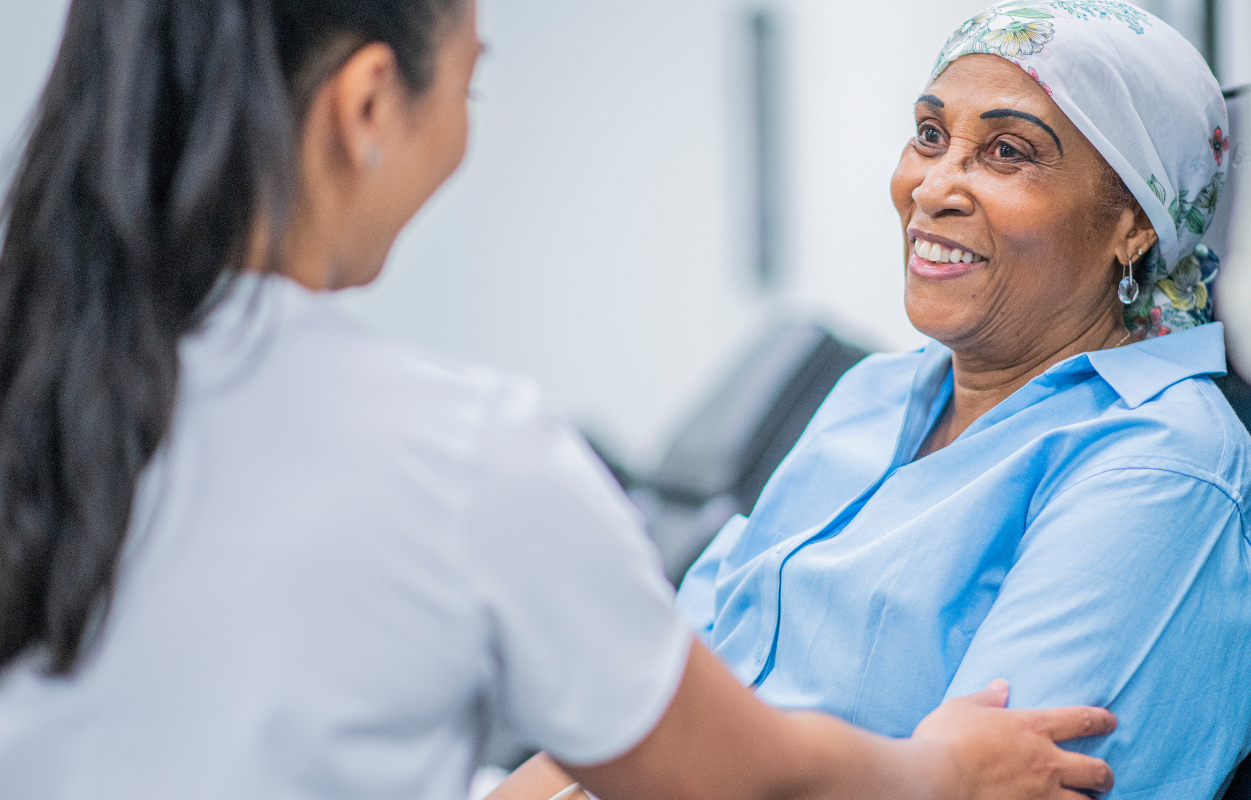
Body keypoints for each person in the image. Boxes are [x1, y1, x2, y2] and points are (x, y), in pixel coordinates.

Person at [0, 2, 1124, 799]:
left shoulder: (38, 378)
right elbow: (740, 774)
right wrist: (948, 771)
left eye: (1004, 152)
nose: (937, 185)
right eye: (472, 80)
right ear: (367, 104)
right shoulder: (456, 452)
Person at [518, 3, 1251, 799]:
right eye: (930, 135)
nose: (933, 187)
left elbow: (989, 782)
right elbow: (646, 714)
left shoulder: (1159, 474)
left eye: (1006, 151)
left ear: (1133, 222)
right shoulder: (874, 394)